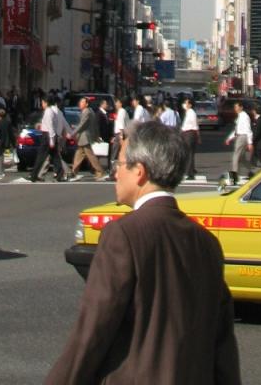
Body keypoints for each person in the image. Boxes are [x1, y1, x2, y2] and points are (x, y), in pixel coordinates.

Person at [44, 122, 241, 385]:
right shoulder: (206, 242)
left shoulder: (123, 235)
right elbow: (222, 343)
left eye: (120, 163)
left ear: (140, 171)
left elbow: (93, 329)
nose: (116, 172)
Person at [30, 94, 69, 183]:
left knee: (41, 156)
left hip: (47, 136)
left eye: (43, 103)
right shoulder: (52, 111)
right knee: (55, 156)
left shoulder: (48, 112)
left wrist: (51, 140)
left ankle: (34, 175)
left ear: (46, 103)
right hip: (49, 135)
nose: (42, 104)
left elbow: (50, 127)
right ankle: (60, 174)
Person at [70, 97, 105, 181]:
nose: (80, 103)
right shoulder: (90, 111)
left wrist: (72, 133)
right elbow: (91, 125)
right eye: (80, 102)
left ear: (86, 104)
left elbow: (82, 125)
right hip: (84, 138)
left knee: (90, 156)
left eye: (82, 102)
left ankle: (100, 172)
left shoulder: (86, 112)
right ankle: (74, 172)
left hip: (84, 137)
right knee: (78, 156)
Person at [224, 99, 253, 182]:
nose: (235, 109)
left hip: (243, 137)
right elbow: (237, 130)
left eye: (237, 107)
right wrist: (230, 138)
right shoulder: (240, 116)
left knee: (236, 156)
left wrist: (250, 142)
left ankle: (235, 175)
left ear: (241, 107)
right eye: (235, 107)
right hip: (239, 136)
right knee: (242, 158)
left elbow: (248, 129)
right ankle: (252, 170)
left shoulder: (244, 116)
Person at [180, 95, 200, 178]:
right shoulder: (187, 112)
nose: (185, 104)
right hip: (186, 134)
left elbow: (195, 126)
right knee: (188, 153)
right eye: (185, 103)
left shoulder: (192, 113)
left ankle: (190, 173)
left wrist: (198, 137)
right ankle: (190, 170)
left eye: (187, 103)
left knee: (189, 154)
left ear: (190, 105)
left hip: (190, 134)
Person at [0, 106, 14, 177]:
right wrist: (13, 142)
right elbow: (11, 133)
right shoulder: (8, 122)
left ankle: (0, 172)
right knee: (2, 155)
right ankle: (2, 171)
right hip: (6, 141)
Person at [110, 97, 128, 175]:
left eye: (117, 102)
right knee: (118, 153)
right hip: (118, 134)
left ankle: (113, 172)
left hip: (120, 134)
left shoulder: (121, 111)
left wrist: (121, 137)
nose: (115, 104)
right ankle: (115, 171)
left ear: (120, 103)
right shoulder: (120, 111)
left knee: (115, 153)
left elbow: (121, 125)